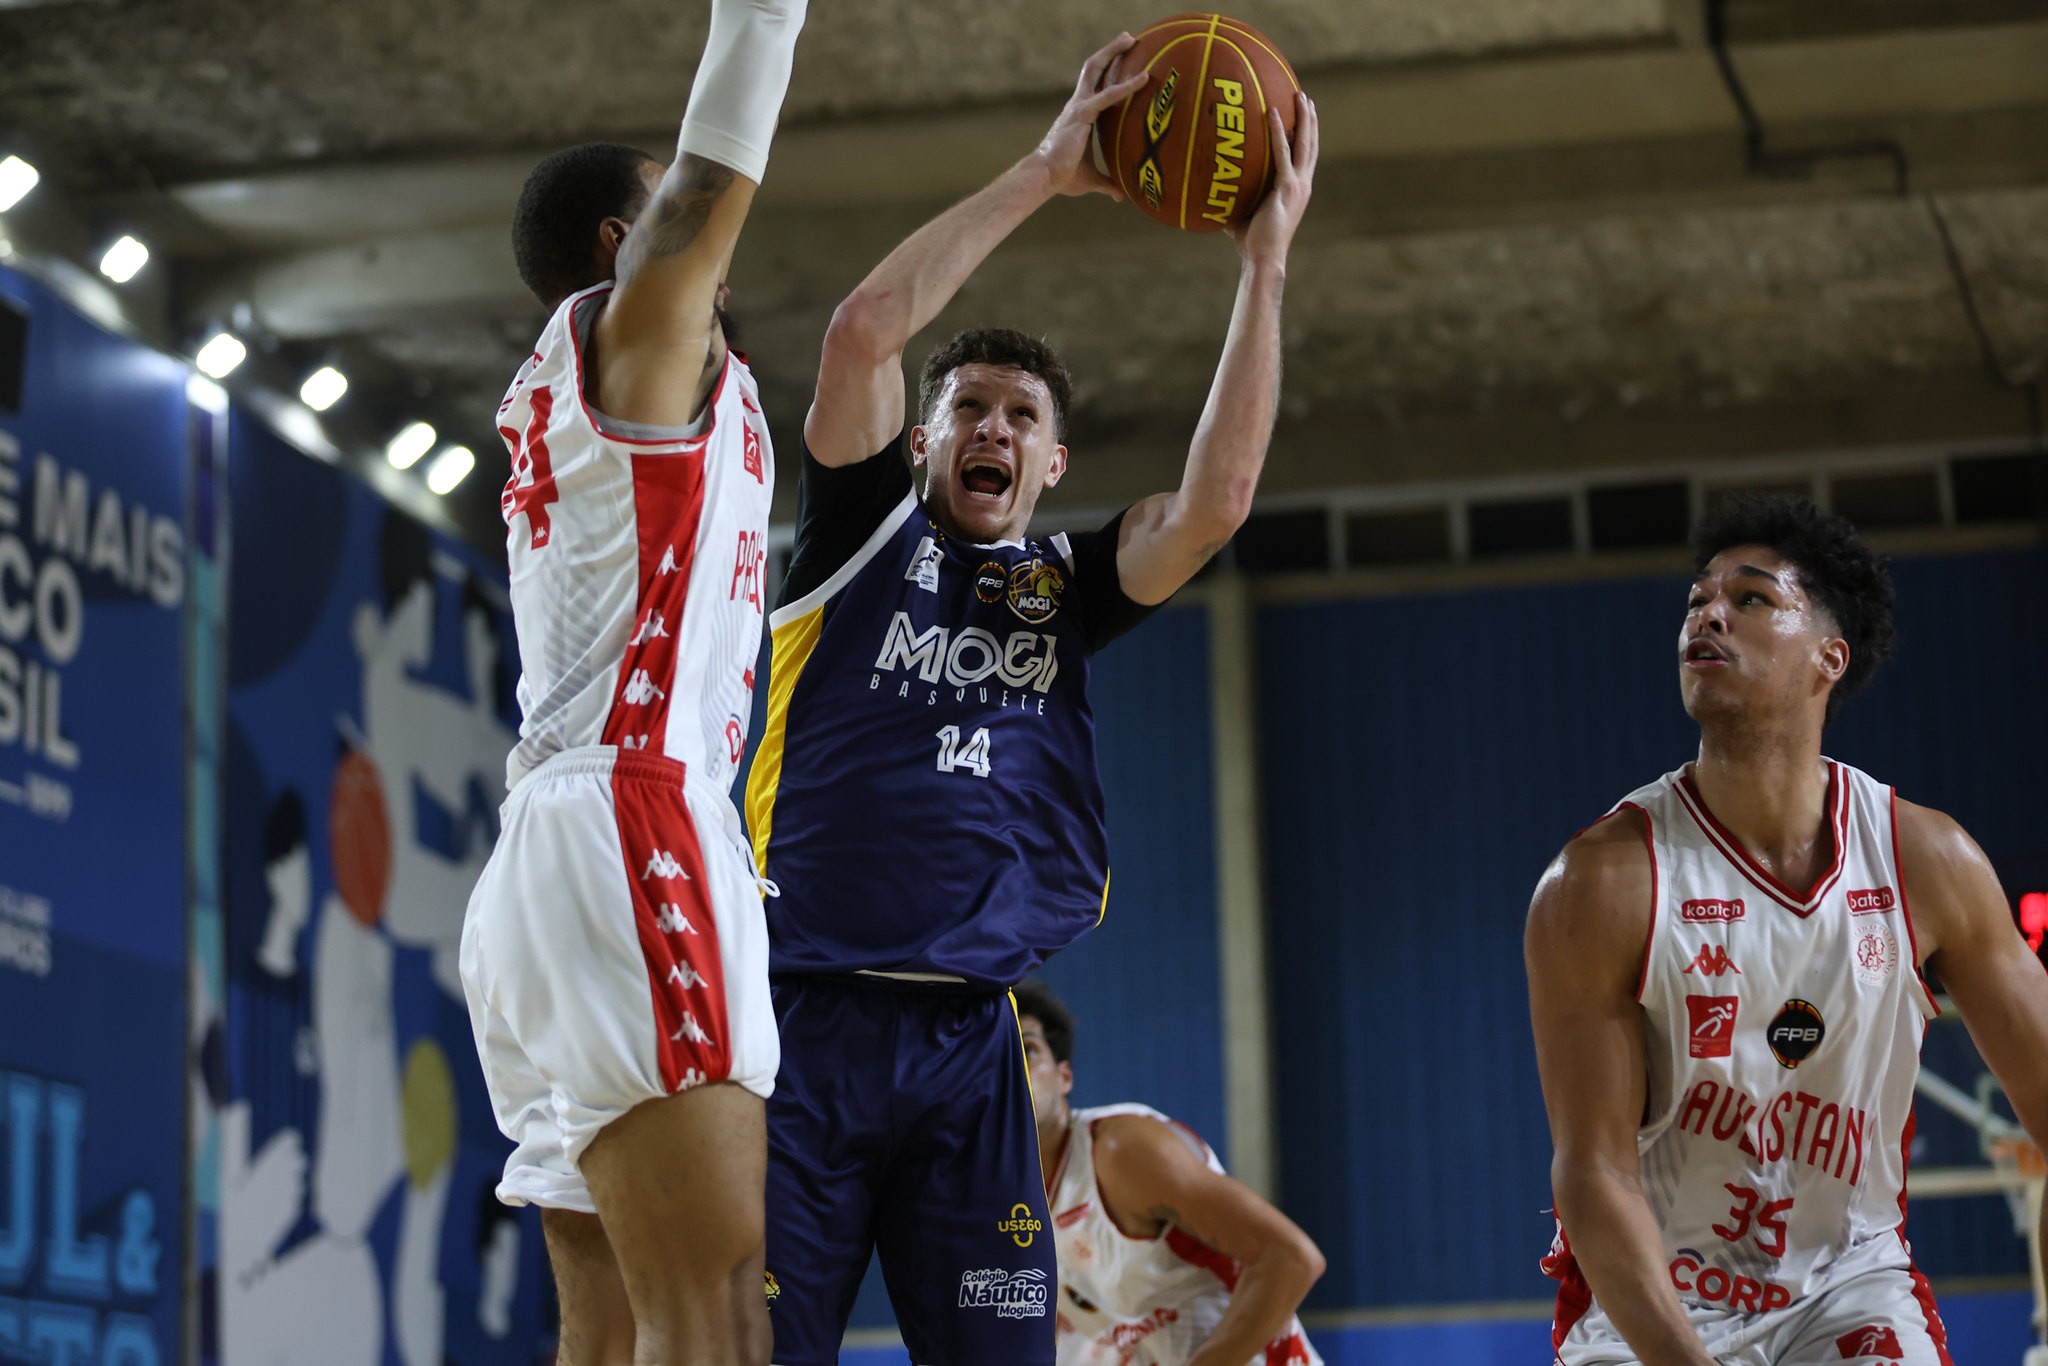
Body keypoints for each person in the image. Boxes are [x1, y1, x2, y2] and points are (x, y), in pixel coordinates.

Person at [742, 32, 1318, 1365]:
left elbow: (1218, 503)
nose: (991, 431)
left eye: (1018, 417)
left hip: (972, 1041)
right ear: (925, 436)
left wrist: (1266, 259)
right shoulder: (857, 537)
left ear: (1052, 458)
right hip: (805, 1017)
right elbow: (860, 332)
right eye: (968, 409)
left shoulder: (1066, 584)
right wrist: (1048, 173)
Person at [457, 0, 805, 1359]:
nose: (707, 233)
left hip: (555, 853)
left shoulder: (609, 386)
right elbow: (713, 179)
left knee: (605, 1334)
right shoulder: (634, 340)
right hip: (632, 818)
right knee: (713, 1309)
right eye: (664, 216)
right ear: (623, 240)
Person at [1526, 492, 2048, 1365]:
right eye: (1698, 600)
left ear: (1828, 658)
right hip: (1652, 1303)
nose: (1709, 614)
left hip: (1849, 1286)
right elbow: (1593, 1173)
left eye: (1753, 598)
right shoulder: (1600, 882)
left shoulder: (1929, 861)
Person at [1014, 981, 1324, 1366]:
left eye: (1026, 1051)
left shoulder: (1120, 1152)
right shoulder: (999, 1202)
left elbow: (1292, 1258)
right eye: (996, 1059)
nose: (1010, 1070)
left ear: (1064, 1077)